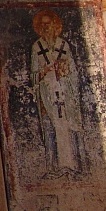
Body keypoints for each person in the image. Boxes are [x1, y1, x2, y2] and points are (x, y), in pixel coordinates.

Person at [30, 9, 84, 179]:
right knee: (49, 128)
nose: (46, 27)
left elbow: (73, 70)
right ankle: (52, 167)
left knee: (67, 127)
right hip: (47, 92)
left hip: (64, 90)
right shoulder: (37, 47)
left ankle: (71, 165)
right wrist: (43, 71)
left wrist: (65, 70)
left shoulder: (63, 45)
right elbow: (33, 74)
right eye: (42, 24)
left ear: (55, 25)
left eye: (48, 23)